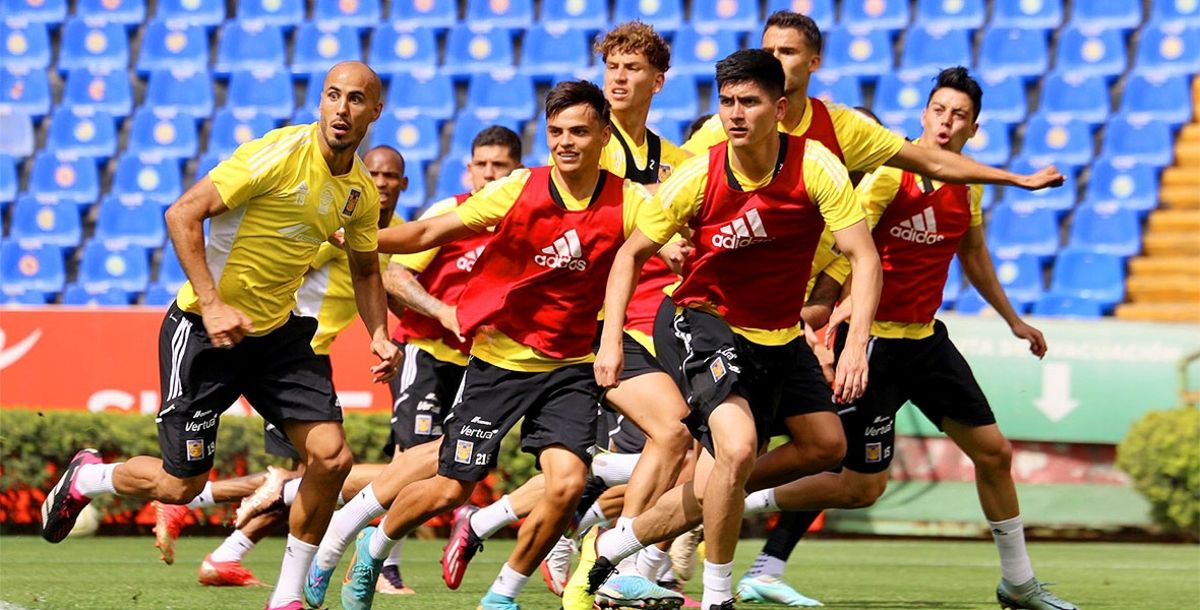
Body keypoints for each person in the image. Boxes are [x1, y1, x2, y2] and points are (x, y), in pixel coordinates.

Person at [38, 61, 402, 610]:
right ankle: (92, 477)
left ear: (374, 112)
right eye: (333, 96)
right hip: (206, 333)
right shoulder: (276, 155)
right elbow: (182, 213)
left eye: (356, 100)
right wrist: (212, 304)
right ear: (319, 102)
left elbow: (367, 269)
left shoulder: (358, 192)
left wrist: (379, 333)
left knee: (331, 458)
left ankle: (287, 598)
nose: (342, 110)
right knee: (179, 485)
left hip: (277, 335)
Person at [739, 67, 1078, 610]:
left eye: (959, 115)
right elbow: (847, 254)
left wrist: (1014, 319)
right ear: (923, 115)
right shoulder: (885, 177)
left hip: (924, 343)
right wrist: (832, 326)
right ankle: (738, 500)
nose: (946, 123)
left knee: (993, 453)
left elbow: (973, 255)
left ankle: (1019, 582)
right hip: (869, 345)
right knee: (853, 482)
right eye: (939, 111)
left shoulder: (964, 184)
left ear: (974, 126)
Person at [335, 80, 654, 610]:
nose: (566, 142)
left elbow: (674, 240)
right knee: (450, 489)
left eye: (579, 131)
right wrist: (357, 235)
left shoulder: (632, 201)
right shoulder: (518, 187)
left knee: (568, 482)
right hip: (499, 360)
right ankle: (373, 547)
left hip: (572, 364)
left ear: (603, 134)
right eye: (556, 132)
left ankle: (502, 595)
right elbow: (425, 234)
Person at [590, 49, 882, 610]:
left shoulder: (816, 165)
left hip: (777, 335)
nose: (735, 114)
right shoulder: (700, 174)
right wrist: (608, 341)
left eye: (749, 101)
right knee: (739, 446)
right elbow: (629, 254)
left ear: (780, 106)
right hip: (701, 320)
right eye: (727, 102)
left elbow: (863, 259)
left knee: (824, 446)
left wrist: (856, 349)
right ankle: (719, 597)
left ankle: (618, 543)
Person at [438, 23, 696, 606]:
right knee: (669, 438)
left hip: (653, 324)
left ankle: (531, 541)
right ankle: (608, 566)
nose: (620, 77)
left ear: (659, 81)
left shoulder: (676, 162)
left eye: (633, 69)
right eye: (613, 68)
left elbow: (686, 229)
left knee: (661, 449)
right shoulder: (580, 146)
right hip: (597, 330)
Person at [147, 146, 410, 590]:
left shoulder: (388, 227)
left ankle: (232, 555)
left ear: (404, 184)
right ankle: (200, 510)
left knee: (318, 470)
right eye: (377, 173)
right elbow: (290, 263)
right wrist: (232, 304)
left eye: (392, 176)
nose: (382, 182)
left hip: (295, 349)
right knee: (302, 476)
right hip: (291, 342)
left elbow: (375, 279)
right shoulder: (329, 217)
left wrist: (382, 333)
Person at [302, 125, 524, 608]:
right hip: (425, 351)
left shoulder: (524, 216)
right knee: (417, 457)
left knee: (449, 477)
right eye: (482, 165)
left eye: (500, 166)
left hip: (480, 361)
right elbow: (398, 276)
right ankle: (372, 554)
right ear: (469, 168)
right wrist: (440, 314)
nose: (489, 174)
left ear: (516, 171)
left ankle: (310, 506)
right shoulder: (451, 211)